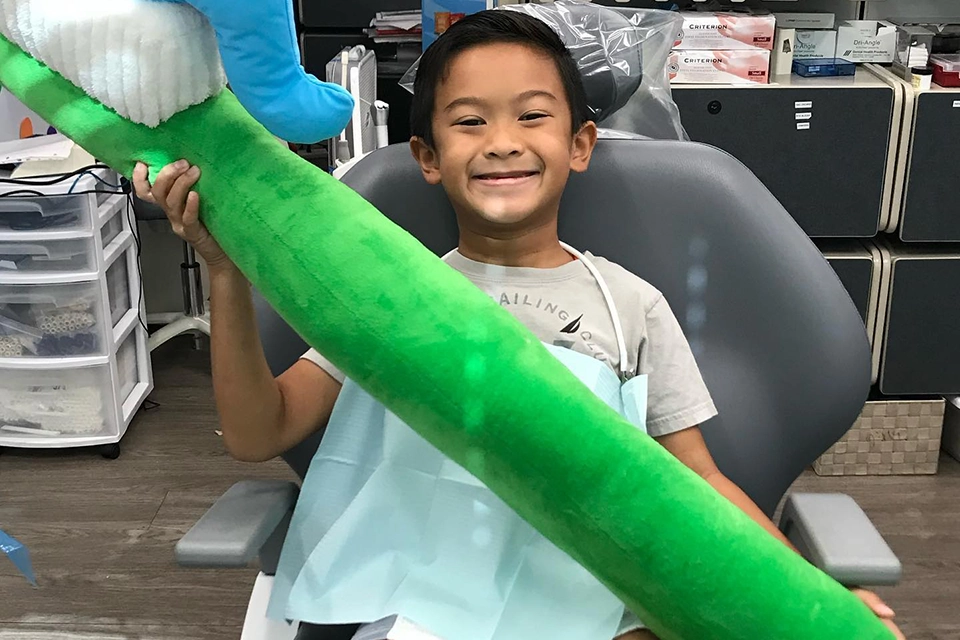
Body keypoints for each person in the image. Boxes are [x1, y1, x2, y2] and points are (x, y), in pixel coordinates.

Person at [133, 10, 903, 640]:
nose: (502, 141)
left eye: (532, 116)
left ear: (579, 144)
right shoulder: (388, 299)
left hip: (601, 606)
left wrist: (811, 601)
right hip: (428, 604)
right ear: (428, 158)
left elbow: (698, 479)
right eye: (469, 122)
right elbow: (258, 431)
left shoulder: (631, 304)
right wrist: (227, 276)